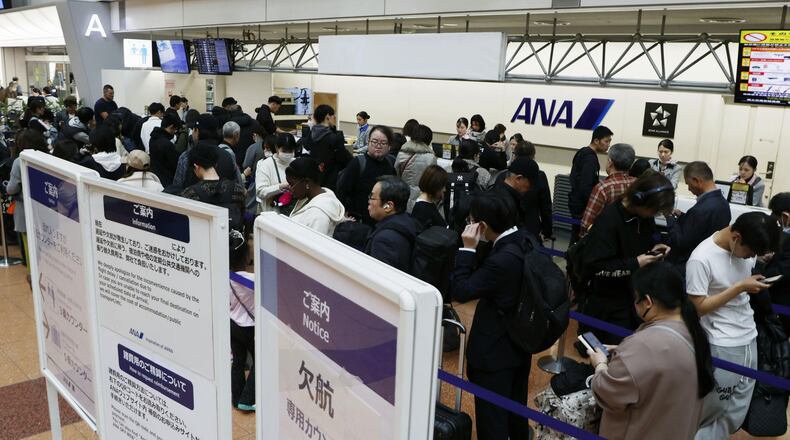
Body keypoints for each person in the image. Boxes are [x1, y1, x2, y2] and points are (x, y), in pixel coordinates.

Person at [589, 262, 714, 440]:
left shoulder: (643, 345)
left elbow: (608, 392)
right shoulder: (693, 331)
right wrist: (624, 353)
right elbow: (664, 361)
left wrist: (600, 364)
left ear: (647, 301)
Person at [686, 212, 779, 439]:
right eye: (751, 252)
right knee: (711, 410)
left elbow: (743, 277)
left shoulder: (744, 248)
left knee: (736, 412)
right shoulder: (701, 258)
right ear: (736, 237)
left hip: (749, 336)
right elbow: (697, 307)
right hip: (721, 343)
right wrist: (739, 288)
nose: (751, 257)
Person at [451, 192, 531, 440]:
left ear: (482, 225)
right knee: (515, 410)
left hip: (495, 352)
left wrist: (467, 249)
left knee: (492, 420)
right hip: (520, 342)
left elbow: (462, 290)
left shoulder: (502, 260)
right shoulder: (524, 239)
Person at [579, 172, 675, 344]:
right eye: (654, 210)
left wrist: (654, 249)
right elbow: (596, 267)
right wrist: (636, 263)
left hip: (633, 297)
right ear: (639, 199)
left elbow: (646, 239)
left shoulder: (644, 217)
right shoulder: (608, 220)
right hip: (608, 303)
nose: (654, 214)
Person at [665, 162, 731, 273]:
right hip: (710, 264)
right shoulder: (723, 203)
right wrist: (683, 216)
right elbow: (703, 227)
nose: (689, 189)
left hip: (688, 266)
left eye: (688, 184)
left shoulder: (700, 210)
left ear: (697, 181)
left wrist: (670, 218)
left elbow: (680, 242)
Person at [6, 130, 49, 268]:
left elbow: (11, 189)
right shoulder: (49, 158)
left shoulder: (19, 161)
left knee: (29, 246)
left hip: (25, 210)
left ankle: (33, 276)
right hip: (47, 210)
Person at [336, 125, 396, 225]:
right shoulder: (358, 163)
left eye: (383, 143)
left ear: (389, 146)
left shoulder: (390, 163)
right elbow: (342, 190)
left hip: (382, 219)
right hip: (359, 220)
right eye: (374, 141)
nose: (378, 145)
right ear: (368, 142)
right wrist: (344, 213)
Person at [181, 144, 246, 233]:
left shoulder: (190, 194)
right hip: (231, 243)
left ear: (196, 166)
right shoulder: (236, 189)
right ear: (216, 164)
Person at [170, 114, 242, 193]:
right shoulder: (228, 155)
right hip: (222, 204)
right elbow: (237, 185)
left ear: (197, 131)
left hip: (192, 203)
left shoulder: (187, 156)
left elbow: (177, 186)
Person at [579, 143, 636, 237]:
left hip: (605, 243)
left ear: (610, 162)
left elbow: (586, 223)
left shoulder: (603, 188)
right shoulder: (637, 184)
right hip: (630, 243)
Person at [568, 125, 613, 243]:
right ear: (596, 141)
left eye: (609, 141)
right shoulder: (590, 159)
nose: (608, 145)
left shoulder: (583, 152)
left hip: (575, 200)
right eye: (606, 141)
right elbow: (585, 186)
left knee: (576, 236)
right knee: (579, 238)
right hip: (581, 205)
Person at [365, 176, 417, 272]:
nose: (369, 201)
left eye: (372, 197)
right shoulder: (407, 221)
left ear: (388, 206)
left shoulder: (385, 240)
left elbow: (381, 279)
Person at [285, 157, 345, 236]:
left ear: (306, 182)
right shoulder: (319, 196)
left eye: (291, 184)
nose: (289, 188)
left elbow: (311, 245)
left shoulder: (318, 215)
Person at [228, 241, 255, 412]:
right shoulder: (252, 279)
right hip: (250, 328)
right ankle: (248, 399)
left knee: (238, 361)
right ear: (245, 257)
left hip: (232, 325)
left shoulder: (226, 277)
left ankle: (236, 398)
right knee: (260, 361)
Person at [510, 141, 553, 241]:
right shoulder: (539, 176)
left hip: (507, 227)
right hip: (531, 227)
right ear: (533, 156)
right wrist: (547, 231)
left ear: (515, 155)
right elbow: (545, 206)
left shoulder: (506, 174)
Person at [396, 124, 437, 213]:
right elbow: (432, 181)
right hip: (421, 198)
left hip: (401, 195)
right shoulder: (430, 158)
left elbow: (396, 173)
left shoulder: (401, 153)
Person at [491, 157, 539, 231]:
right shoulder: (507, 203)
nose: (530, 188)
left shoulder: (497, 192)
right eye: (530, 184)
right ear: (519, 179)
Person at [309, 104, 350, 191]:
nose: (334, 117)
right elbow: (343, 158)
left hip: (314, 177)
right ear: (328, 116)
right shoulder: (334, 137)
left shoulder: (310, 134)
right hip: (331, 179)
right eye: (333, 115)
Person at [765, 193, 790, 334]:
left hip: (783, 303)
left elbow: (783, 271)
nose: (780, 225)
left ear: (786, 216)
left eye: (779, 221)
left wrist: (759, 277)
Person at [255, 133, 296, 214]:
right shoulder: (266, 165)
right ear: (277, 148)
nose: (287, 154)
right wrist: (280, 187)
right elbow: (260, 192)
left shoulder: (295, 163)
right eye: (284, 150)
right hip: (272, 213)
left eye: (290, 150)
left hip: (293, 213)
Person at [149, 113, 183, 188]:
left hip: (155, 177)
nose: (175, 132)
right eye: (175, 129)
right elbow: (175, 164)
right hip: (167, 180)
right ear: (171, 127)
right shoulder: (167, 144)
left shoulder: (153, 138)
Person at [412, 165, 448, 229]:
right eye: (442, 186)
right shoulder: (422, 209)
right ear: (435, 186)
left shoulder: (429, 203)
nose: (444, 190)